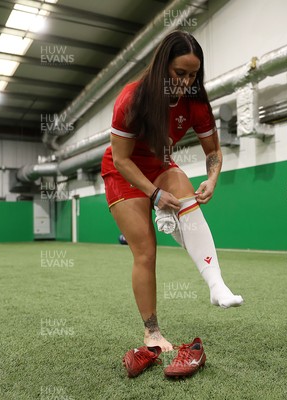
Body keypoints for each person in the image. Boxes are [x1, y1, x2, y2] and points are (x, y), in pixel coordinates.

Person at [101, 30, 243, 353]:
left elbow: (214, 153)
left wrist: (213, 177)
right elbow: (122, 159)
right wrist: (153, 196)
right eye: (180, 73)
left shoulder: (195, 101)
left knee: (184, 187)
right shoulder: (132, 98)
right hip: (122, 172)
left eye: (194, 75)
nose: (187, 82)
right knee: (146, 249)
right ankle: (151, 332)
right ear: (163, 66)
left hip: (159, 164)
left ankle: (215, 284)